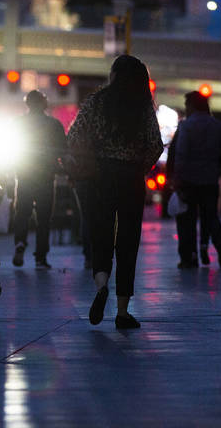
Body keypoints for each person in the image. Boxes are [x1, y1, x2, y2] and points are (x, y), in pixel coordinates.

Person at [67, 54, 163, 330]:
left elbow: (74, 139)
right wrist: (139, 168)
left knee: (101, 232)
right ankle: (122, 312)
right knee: (129, 239)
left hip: (101, 174)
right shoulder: (142, 106)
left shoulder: (96, 102)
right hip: (131, 175)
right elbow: (155, 144)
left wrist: (88, 165)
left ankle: (100, 285)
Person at [168, 90, 221, 269]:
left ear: (191, 106)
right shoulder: (218, 126)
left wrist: (176, 178)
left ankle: (189, 257)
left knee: (186, 221)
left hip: (188, 182)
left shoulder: (186, 126)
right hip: (210, 180)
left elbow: (180, 153)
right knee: (211, 216)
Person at [11, 90, 67, 269]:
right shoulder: (54, 124)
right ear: (44, 103)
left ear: (27, 104)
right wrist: (65, 169)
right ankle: (40, 258)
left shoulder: (18, 123)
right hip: (46, 176)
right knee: (43, 219)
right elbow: (62, 151)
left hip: (24, 174)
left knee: (22, 213)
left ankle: (20, 242)